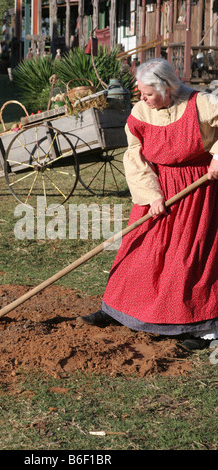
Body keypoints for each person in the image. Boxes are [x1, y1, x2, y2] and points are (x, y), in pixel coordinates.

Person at [80, 58, 218, 350]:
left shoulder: (200, 103)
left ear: (167, 88)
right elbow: (135, 156)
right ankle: (118, 312)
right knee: (138, 252)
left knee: (187, 260)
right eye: (140, 93)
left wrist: (217, 158)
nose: (142, 99)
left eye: (148, 94)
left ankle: (198, 328)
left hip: (198, 191)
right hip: (157, 191)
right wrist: (152, 196)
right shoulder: (141, 113)